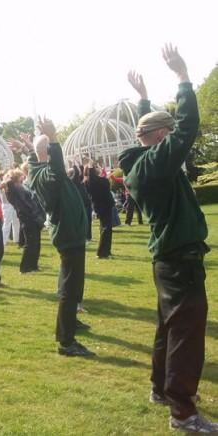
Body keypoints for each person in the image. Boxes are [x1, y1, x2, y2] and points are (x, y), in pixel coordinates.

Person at [120, 45, 216, 433]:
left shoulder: (144, 160)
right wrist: (183, 78)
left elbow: (157, 129)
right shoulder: (156, 161)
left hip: (168, 259)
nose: (174, 139)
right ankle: (182, 412)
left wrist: (143, 99)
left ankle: (160, 389)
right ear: (159, 137)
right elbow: (185, 129)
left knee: (168, 327)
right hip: (179, 259)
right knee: (187, 334)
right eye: (168, 133)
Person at [27, 119, 95, 357]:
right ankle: (66, 342)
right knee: (70, 288)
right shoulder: (47, 175)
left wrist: (35, 146)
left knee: (75, 286)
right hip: (68, 235)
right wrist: (53, 139)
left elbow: (38, 159)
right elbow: (55, 169)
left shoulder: (38, 169)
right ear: (47, 153)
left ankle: (71, 324)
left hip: (71, 234)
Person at [3, 168, 44, 273]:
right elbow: (8, 182)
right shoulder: (12, 188)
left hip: (33, 216)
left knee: (36, 242)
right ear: (15, 178)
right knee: (30, 243)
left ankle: (33, 266)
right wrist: (10, 176)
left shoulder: (20, 186)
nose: (23, 177)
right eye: (20, 176)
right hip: (26, 217)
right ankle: (25, 268)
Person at [84, 163, 114, 258]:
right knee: (106, 228)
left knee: (105, 228)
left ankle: (107, 250)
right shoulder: (97, 181)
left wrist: (93, 168)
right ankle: (101, 252)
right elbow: (103, 182)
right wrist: (92, 167)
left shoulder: (90, 181)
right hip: (103, 206)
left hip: (101, 206)